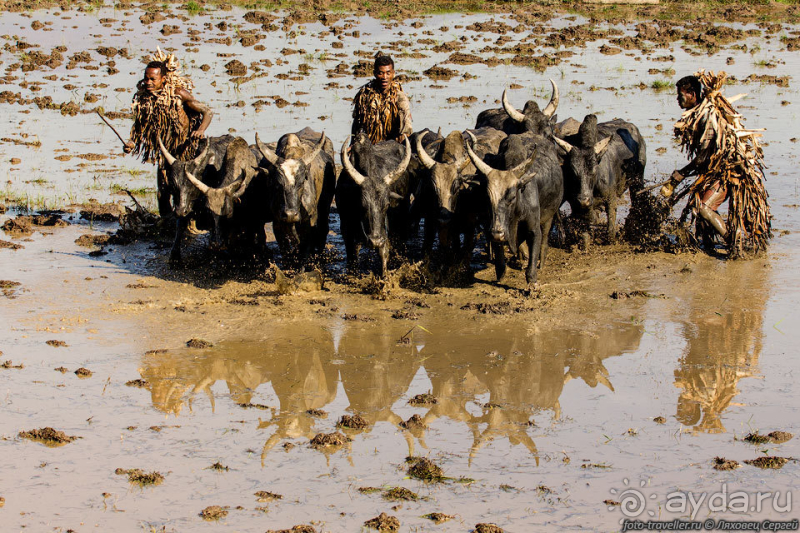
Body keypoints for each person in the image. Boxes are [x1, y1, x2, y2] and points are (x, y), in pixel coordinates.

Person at [660, 71, 770, 257]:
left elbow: (703, 157)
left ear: (692, 94)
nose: (678, 101)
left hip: (728, 172)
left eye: (680, 96)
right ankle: (709, 244)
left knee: (704, 208)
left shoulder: (708, 116)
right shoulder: (699, 113)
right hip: (714, 171)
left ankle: (734, 244)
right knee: (698, 208)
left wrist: (681, 174)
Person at [123, 48, 213, 216]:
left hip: (185, 152)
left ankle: (190, 224)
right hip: (164, 154)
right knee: (162, 192)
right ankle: (167, 227)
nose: (148, 82)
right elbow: (139, 127)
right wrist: (132, 143)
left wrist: (200, 130)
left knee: (186, 191)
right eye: (146, 79)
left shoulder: (178, 94)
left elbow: (207, 112)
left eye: (153, 79)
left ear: (163, 79)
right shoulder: (144, 99)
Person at [351, 54, 412, 144]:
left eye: (388, 73)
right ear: (375, 73)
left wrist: (404, 138)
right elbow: (357, 123)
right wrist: (353, 143)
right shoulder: (364, 95)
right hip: (370, 145)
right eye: (381, 73)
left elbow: (406, 120)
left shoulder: (399, 96)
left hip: (392, 146)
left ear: (393, 73)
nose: (384, 77)